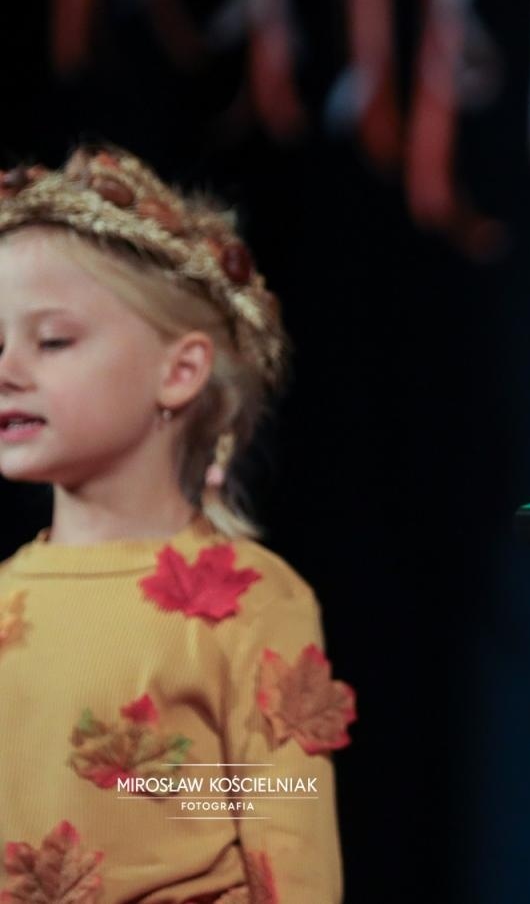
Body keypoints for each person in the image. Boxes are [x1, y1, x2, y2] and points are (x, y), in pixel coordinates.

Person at [0, 148, 352, 902]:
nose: (7, 369)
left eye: (52, 340)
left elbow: (291, 856)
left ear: (180, 371)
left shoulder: (253, 601)